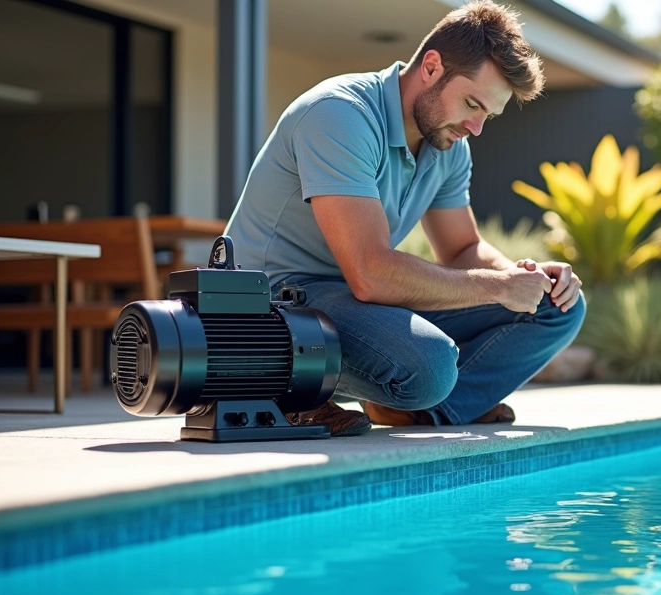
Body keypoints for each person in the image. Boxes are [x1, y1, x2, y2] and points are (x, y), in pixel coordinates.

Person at [224, 1, 585, 436]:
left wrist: (522, 279)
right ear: (431, 67)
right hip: (269, 301)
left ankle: (425, 410)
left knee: (557, 308)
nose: (476, 127)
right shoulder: (340, 114)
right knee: (429, 366)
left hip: (351, 299)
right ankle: (288, 386)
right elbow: (371, 273)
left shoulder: (448, 145)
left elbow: (462, 249)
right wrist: (498, 287)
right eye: (471, 103)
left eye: (487, 114)